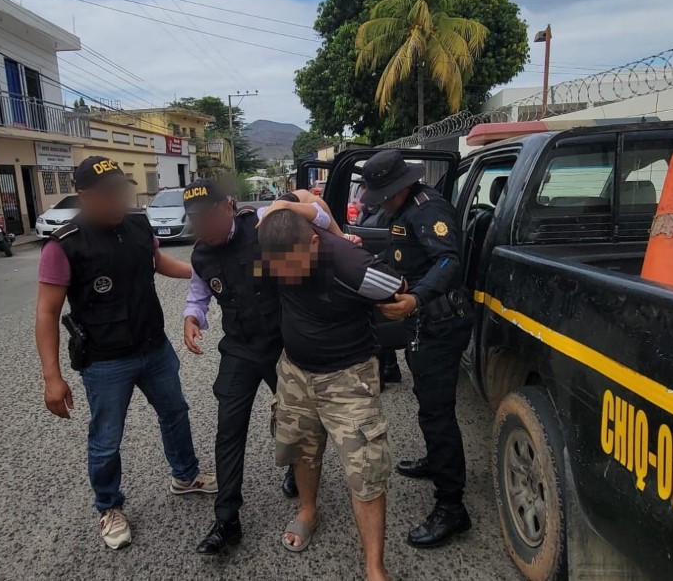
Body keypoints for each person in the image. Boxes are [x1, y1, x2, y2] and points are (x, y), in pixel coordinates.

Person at [35, 156, 217, 551]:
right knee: (106, 438)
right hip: (104, 360)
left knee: (175, 413)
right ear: (84, 196)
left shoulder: (137, 224)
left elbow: (160, 262)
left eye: (121, 190)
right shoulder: (64, 244)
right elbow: (47, 312)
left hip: (154, 347)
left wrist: (204, 269)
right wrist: (52, 376)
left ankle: (185, 475)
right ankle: (109, 506)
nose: (118, 199)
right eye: (107, 193)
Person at [183, 181, 347, 555]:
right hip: (240, 347)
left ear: (228, 206)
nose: (202, 225)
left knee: (293, 420)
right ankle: (227, 520)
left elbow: (319, 217)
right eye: (195, 220)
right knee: (228, 428)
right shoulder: (201, 255)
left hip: (282, 342)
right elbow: (198, 293)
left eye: (208, 215)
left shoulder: (261, 221)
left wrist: (333, 231)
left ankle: (296, 472)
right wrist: (192, 318)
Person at [257, 209, 406, 581]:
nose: (287, 276)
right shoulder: (268, 254)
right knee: (303, 449)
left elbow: (398, 293)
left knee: (366, 469)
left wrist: (404, 305)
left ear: (314, 242)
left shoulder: (354, 266)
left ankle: (375, 568)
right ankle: (308, 510)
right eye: (280, 269)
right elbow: (293, 201)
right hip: (294, 373)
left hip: (348, 379)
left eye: (295, 265)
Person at [360, 149, 473, 548]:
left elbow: (448, 262)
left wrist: (416, 299)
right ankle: (436, 463)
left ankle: (452, 508)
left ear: (402, 186)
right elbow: (402, 254)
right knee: (428, 405)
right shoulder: (400, 209)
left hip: (441, 322)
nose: (380, 202)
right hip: (425, 324)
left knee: (437, 414)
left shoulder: (428, 209)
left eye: (383, 194)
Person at [356, 193, 402, 386]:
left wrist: (374, 259)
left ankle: (385, 373)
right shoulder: (364, 213)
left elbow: (391, 246)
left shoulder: (384, 214)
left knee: (380, 327)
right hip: (371, 268)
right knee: (379, 327)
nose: (362, 196)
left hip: (381, 271)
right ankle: (389, 369)